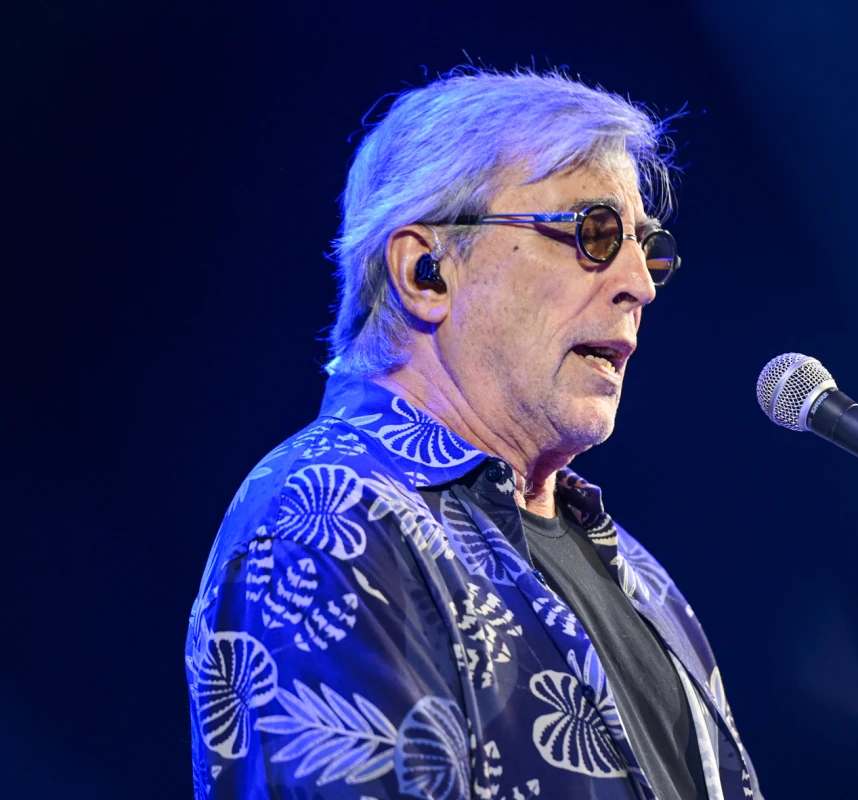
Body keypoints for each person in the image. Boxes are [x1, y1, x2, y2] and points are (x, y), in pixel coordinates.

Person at [186, 69, 763, 800]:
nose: (641, 285)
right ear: (425, 273)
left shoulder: (643, 580)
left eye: (647, 249)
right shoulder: (327, 520)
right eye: (593, 233)